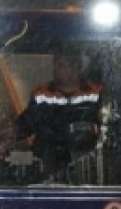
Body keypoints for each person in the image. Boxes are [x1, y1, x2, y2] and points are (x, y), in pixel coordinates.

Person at [15, 51, 103, 179]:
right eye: (55, 64)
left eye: (61, 65)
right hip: (49, 160)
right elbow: (26, 124)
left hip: (87, 161)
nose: (55, 68)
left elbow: (105, 123)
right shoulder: (42, 94)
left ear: (75, 68)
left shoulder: (95, 93)